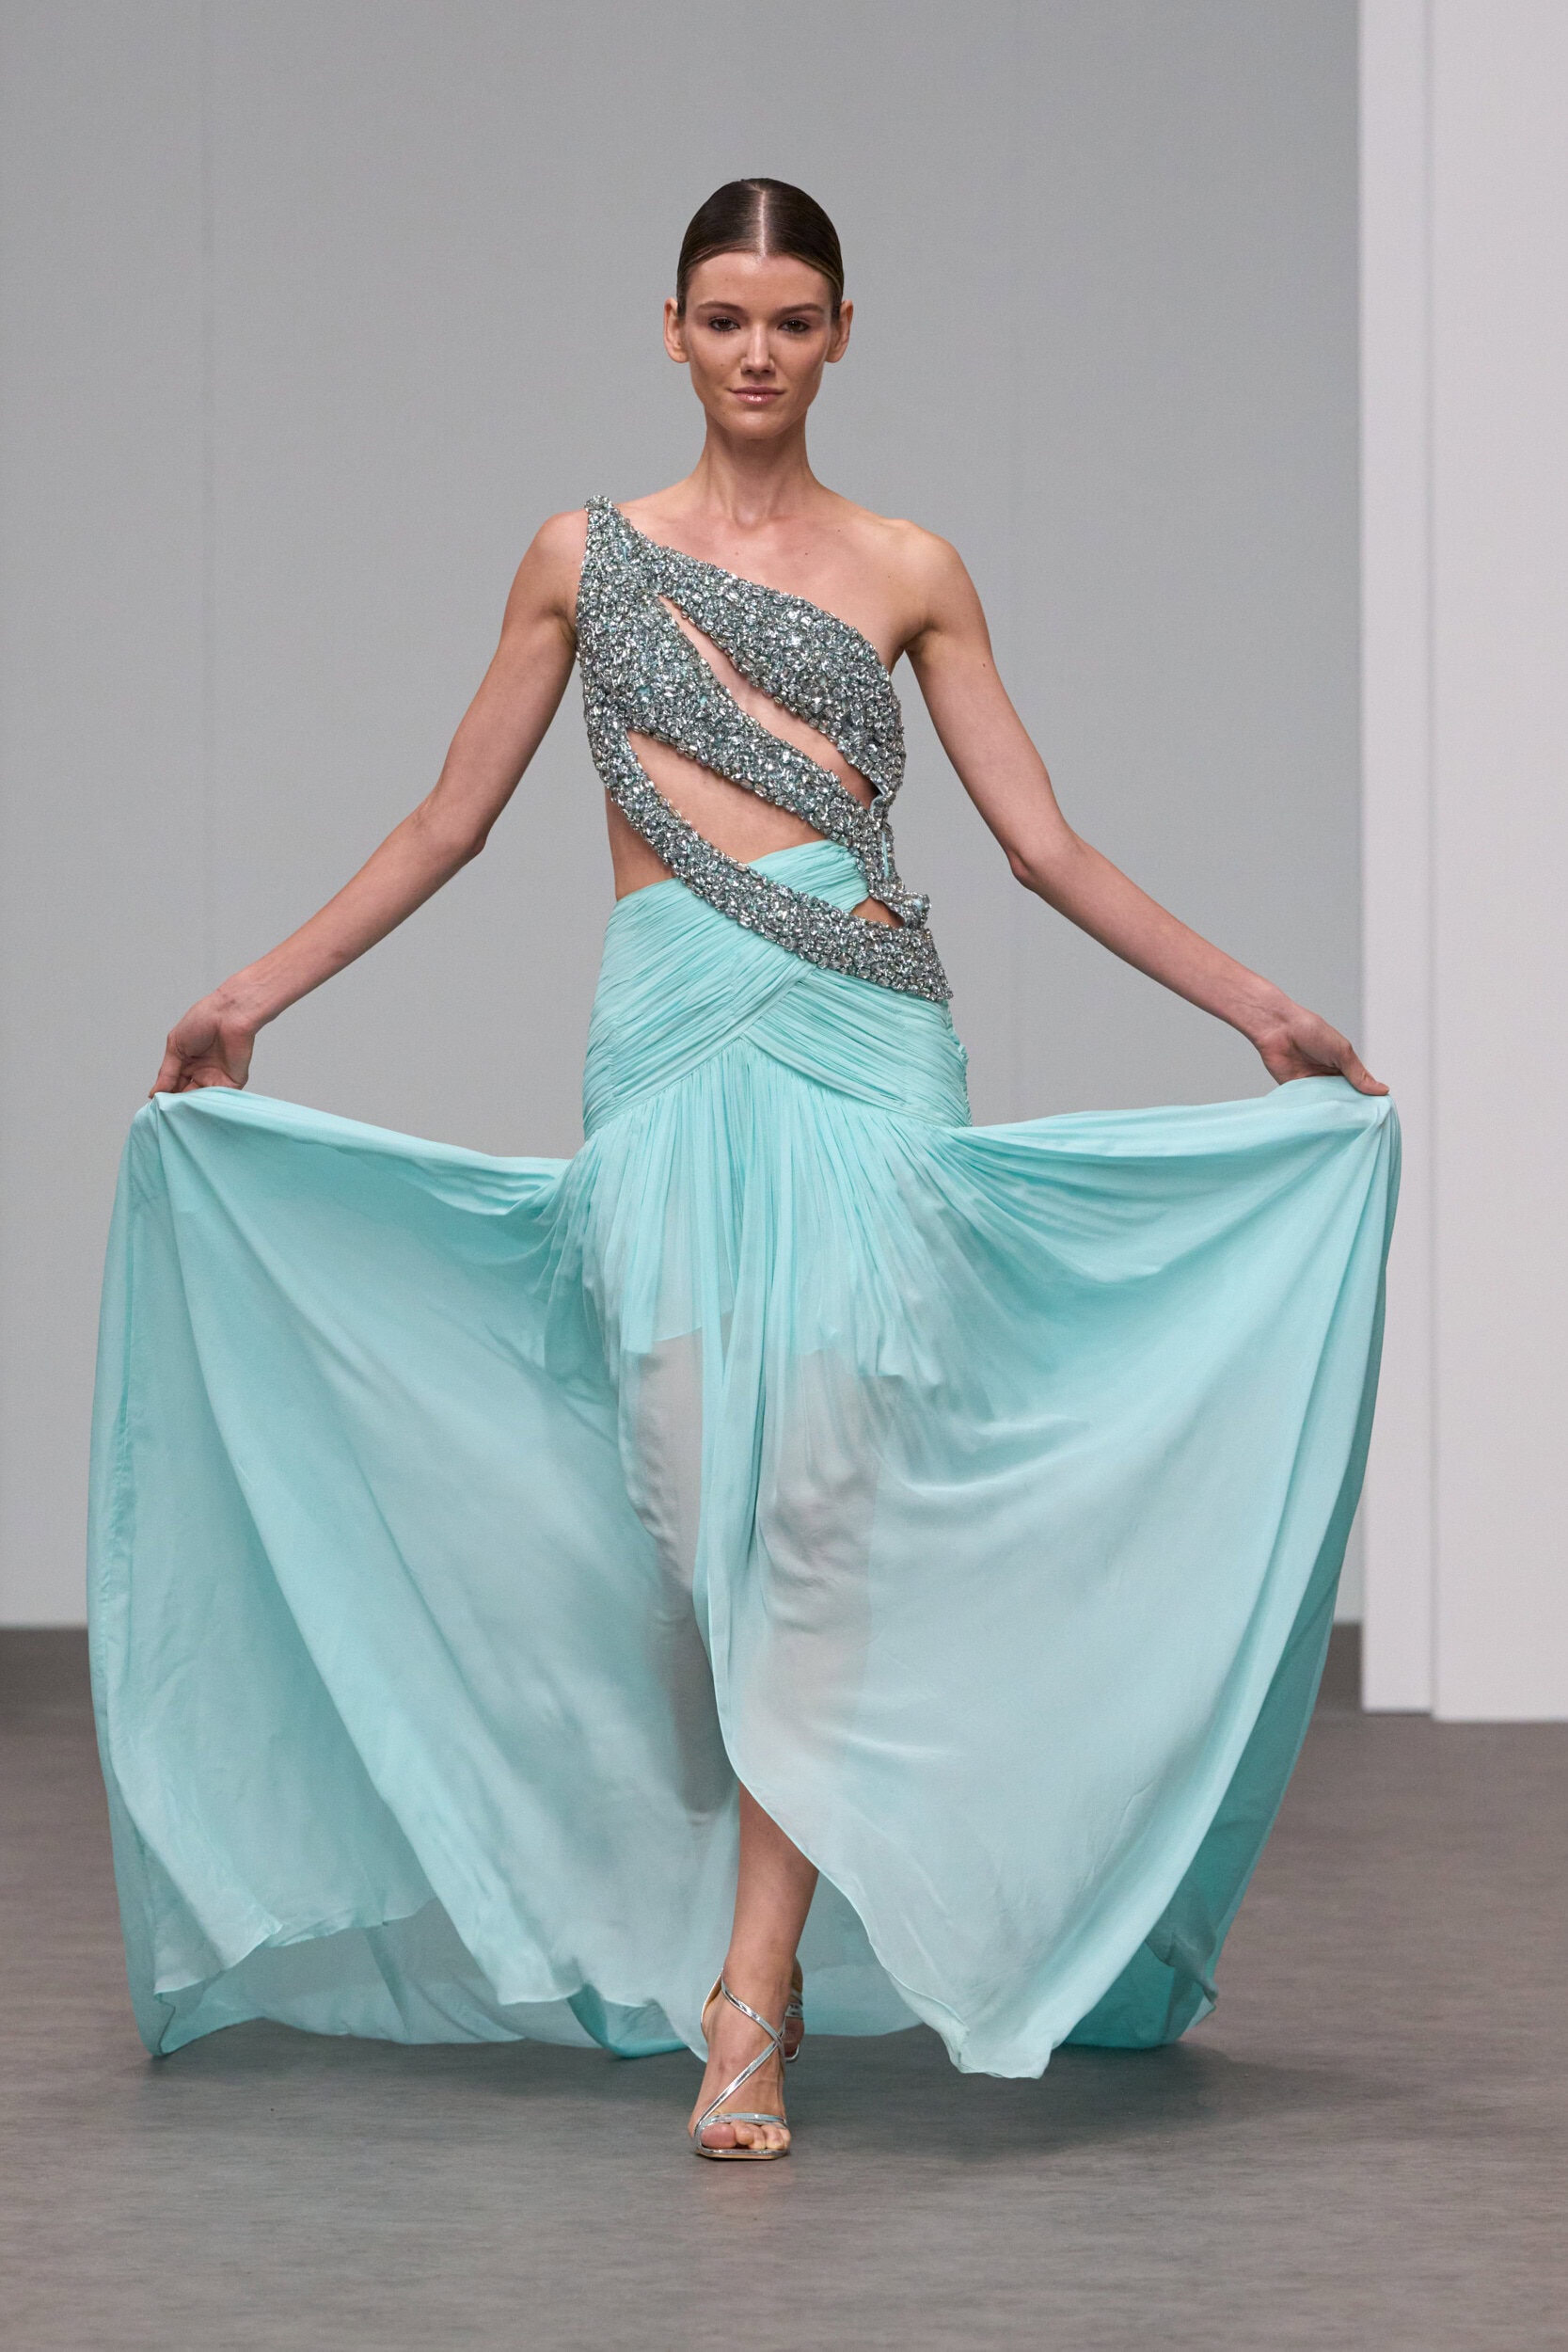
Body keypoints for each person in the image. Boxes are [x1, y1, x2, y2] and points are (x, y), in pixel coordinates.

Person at [92, 179, 1396, 2161]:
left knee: (819, 1513)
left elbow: (1042, 842)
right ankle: (715, 1906)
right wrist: (248, 991)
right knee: (696, 1506)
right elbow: (448, 819)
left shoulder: (910, 566)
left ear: (842, 332)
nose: (759, 352)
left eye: (793, 319)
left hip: (869, 1058)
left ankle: (750, 2001)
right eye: (725, 318)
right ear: (675, 330)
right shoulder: (582, 554)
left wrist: (1260, 1006)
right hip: (670, 1059)